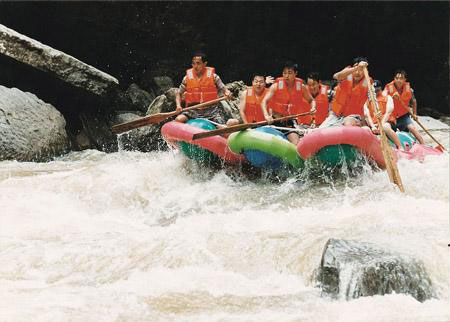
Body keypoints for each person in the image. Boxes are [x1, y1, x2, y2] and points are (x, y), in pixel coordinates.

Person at [175, 52, 237, 127]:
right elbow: (178, 93)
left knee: (221, 126)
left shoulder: (214, 77)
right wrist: (178, 105)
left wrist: (227, 93)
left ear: (205, 64)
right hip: (192, 111)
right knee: (178, 119)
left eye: (198, 63)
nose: (195, 66)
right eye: (193, 64)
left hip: (211, 111)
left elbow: (225, 90)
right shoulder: (186, 78)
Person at [261, 61, 316, 145]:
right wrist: (266, 115)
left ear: (295, 73)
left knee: (296, 143)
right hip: (275, 121)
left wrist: (313, 108)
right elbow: (264, 101)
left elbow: (311, 100)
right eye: (284, 73)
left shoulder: (301, 87)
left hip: (289, 122)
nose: (286, 76)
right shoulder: (276, 86)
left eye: (289, 73)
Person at [320, 57, 372, 128]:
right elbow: (336, 76)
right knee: (321, 130)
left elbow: (373, 101)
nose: (357, 72)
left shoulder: (368, 82)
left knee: (348, 124)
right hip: (336, 115)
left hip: (353, 116)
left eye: (361, 70)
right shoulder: (346, 74)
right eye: (356, 69)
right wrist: (357, 67)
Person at [383, 70, 424, 144]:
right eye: (397, 78)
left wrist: (415, 114)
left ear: (405, 80)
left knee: (412, 128)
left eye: (401, 78)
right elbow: (383, 96)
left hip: (403, 116)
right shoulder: (388, 88)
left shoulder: (409, 90)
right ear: (394, 79)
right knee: (387, 128)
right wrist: (390, 96)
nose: (399, 80)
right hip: (391, 116)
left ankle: (423, 144)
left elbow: (414, 101)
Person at [363, 80, 403, 150]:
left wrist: (381, 124)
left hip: (386, 122)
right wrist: (372, 126)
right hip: (374, 125)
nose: (375, 92)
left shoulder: (388, 98)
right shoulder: (368, 101)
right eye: (374, 90)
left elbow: (388, 112)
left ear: (380, 88)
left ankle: (399, 146)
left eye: (377, 90)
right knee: (365, 129)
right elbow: (367, 115)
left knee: (385, 127)